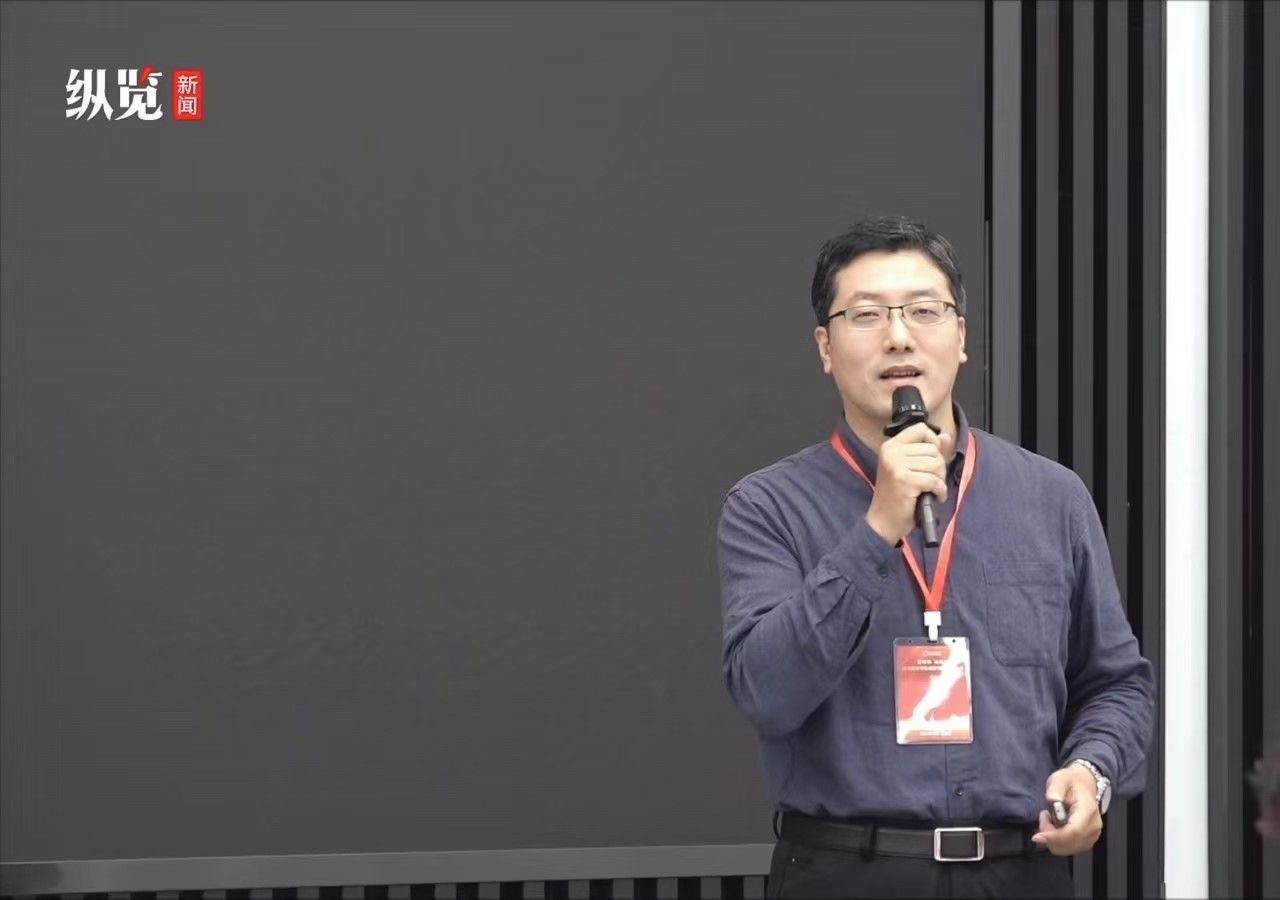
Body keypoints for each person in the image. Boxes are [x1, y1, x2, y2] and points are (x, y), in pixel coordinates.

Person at [716, 217, 1155, 898]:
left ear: (961, 337)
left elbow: (1116, 682)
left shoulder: (1051, 497)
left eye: (924, 310)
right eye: (867, 314)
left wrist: (1092, 771)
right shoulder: (768, 506)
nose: (898, 335)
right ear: (826, 347)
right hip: (848, 871)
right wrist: (876, 529)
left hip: (1020, 870)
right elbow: (767, 692)